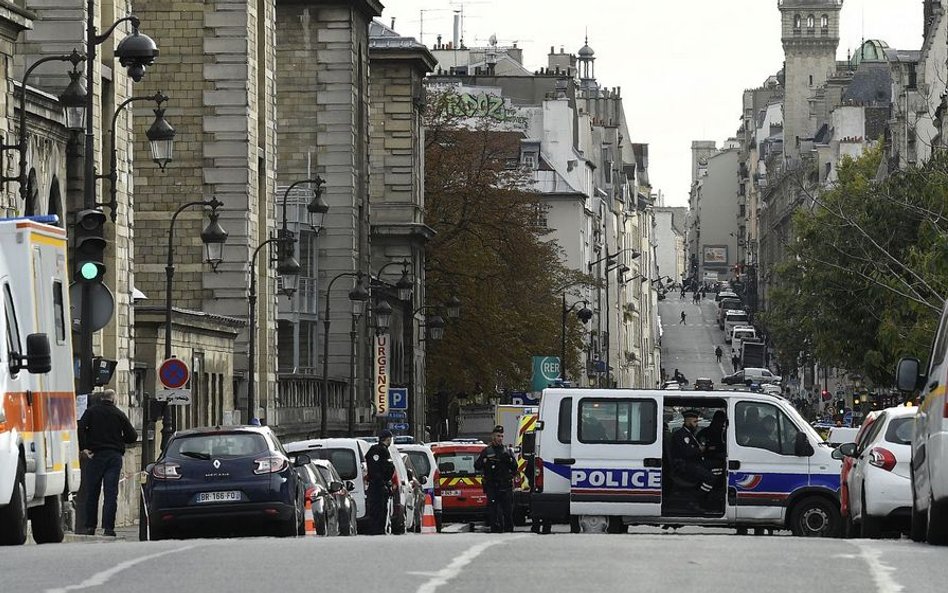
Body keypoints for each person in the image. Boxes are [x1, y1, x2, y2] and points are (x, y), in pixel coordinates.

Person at [77, 389, 137, 536]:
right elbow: (132, 436)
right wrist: (118, 440)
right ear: (114, 400)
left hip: (94, 455)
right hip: (113, 456)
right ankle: (108, 528)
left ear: (101, 399)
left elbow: (80, 428)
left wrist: (84, 447)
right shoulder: (119, 414)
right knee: (111, 493)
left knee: (92, 492)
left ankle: (90, 526)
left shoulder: (91, 412)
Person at [474, 424, 517, 533]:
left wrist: (510, 460)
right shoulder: (487, 451)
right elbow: (477, 465)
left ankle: (509, 531)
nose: (500, 438)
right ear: (493, 436)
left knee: (508, 512)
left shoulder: (507, 451)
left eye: (502, 436)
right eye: (498, 436)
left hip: (505, 486)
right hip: (492, 486)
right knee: (493, 511)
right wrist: (485, 462)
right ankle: (495, 529)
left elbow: (515, 467)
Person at [669, 410, 717, 507]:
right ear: (687, 422)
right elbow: (687, 452)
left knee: (718, 467)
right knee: (710, 479)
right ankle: (696, 500)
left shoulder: (689, 434)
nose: (697, 425)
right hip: (685, 465)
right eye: (695, 422)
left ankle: (713, 495)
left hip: (693, 463)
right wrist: (700, 450)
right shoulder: (681, 435)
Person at [365, 430, 396, 535]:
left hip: (373, 486)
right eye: (390, 439)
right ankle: (379, 530)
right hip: (380, 486)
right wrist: (385, 482)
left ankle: (374, 529)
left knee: (374, 510)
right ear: (388, 439)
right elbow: (388, 468)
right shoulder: (383, 451)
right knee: (381, 510)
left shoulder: (372, 450)